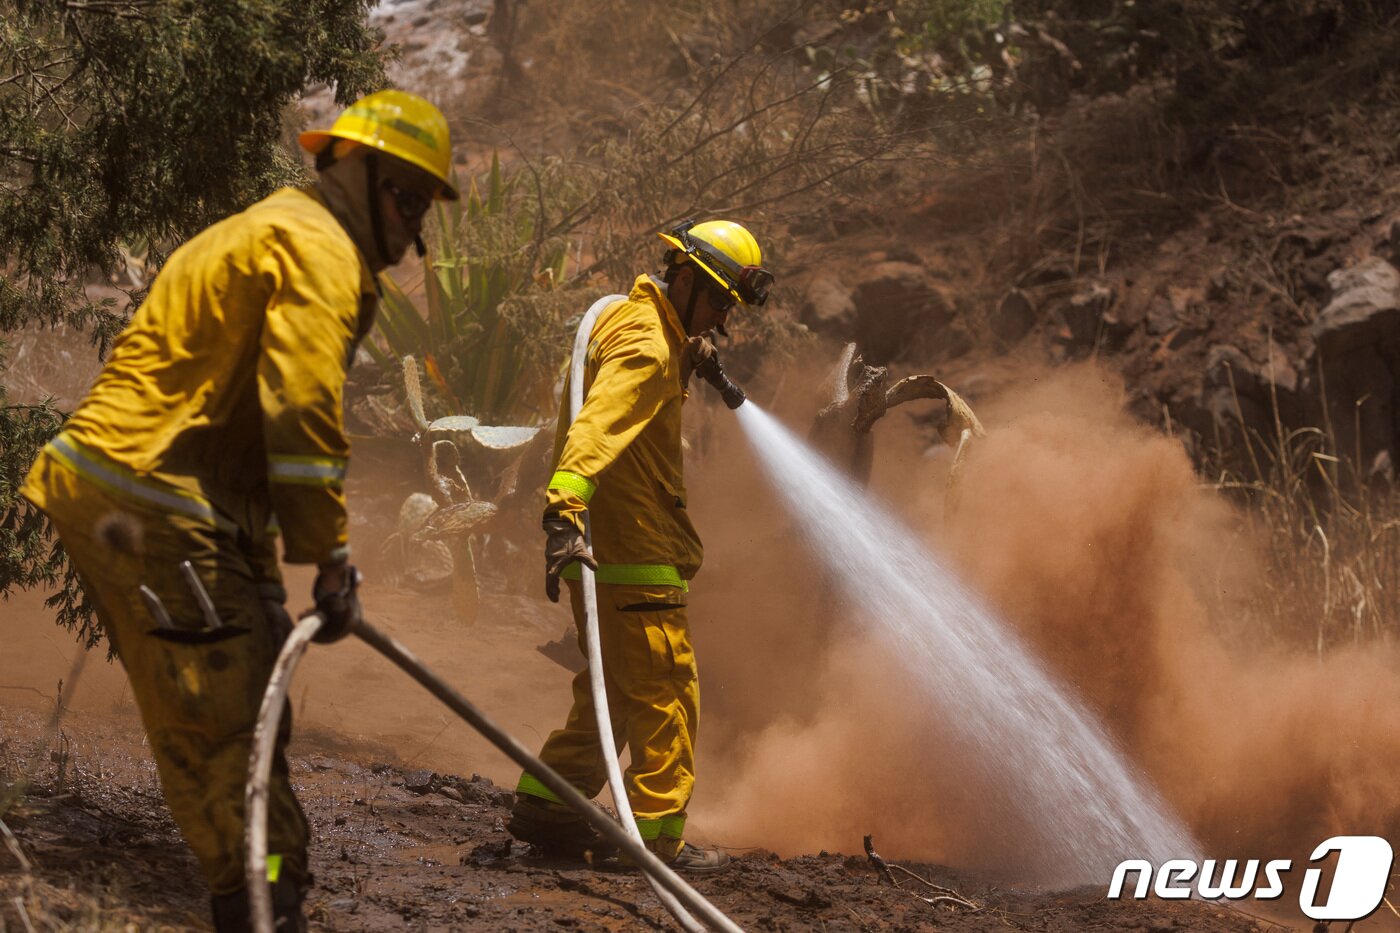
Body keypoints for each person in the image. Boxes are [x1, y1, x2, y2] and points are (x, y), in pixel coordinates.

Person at [19, 89, 458, 931]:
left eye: (422, 208)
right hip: (152, 496)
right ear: (353, 170)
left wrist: (264, 569)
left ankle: (269, 888)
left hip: (170, 494)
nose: (409, 231)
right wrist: (329, 557)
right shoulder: (318, 248)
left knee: (251, 691)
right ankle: (260, 908)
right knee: (222, 727)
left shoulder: (268, 228)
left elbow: (226, 412)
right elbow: (297, 407)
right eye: (404, 198)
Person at [508, 219, 774, 872]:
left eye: (726, 311)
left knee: (613, 692)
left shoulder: (630, 323)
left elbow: (611, 378)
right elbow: (599, 425)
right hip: (634, 559)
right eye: (715, 302)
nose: (718, 320)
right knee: (666, 696)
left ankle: (549, 806)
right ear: (683, 280)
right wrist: (565, 509)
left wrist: (689, 351)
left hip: (611, 557)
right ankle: (652, 840)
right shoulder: (649, 347)